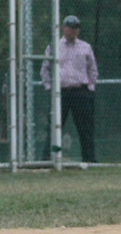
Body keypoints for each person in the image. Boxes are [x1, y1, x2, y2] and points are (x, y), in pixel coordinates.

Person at [41, 14, 98, 163]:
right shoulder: (54, 47)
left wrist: (90, 88)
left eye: (75, 28)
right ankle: (47, 158)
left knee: (85, 128)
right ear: (63, 28)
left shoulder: (85, 47)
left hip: (81, 91)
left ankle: (89, 159)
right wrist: (49, 87)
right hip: (61, 93)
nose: (73, 31)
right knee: (54, 126)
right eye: (70, 27)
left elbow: (92, 70)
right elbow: (45, 69)